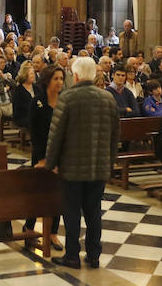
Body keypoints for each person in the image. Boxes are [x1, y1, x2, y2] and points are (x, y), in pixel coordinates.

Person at [44, 57, 118, 270]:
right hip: (99, 167)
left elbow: (56, 135)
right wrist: (109, 162)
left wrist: (50, 163)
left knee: (72, 212)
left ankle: (72, 256)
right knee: (94, 212)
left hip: (72, 168)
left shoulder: (68, 98)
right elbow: (115, 137)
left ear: (75, 75)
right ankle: (94, 255)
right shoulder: (108, 98)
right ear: (94, 75)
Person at [25, 64, 65, 252]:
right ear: (48, 80)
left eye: (61, 79)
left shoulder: (64, 102)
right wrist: (43, 159)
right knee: (39, 193)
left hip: (60, 155)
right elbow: (35, 132)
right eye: (56, 78)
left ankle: (53, 232)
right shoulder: (38, 102)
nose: (59, 82)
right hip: (41, 155)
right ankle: (29, 227)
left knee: (57, 195)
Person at [12, 61, 35, 129]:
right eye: (31, 74)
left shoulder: (36, 88)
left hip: (35, 115)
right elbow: (19, 108)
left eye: (33, 73)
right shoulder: (19, 90)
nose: (33, 75)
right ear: (25, 75)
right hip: (23, 117)